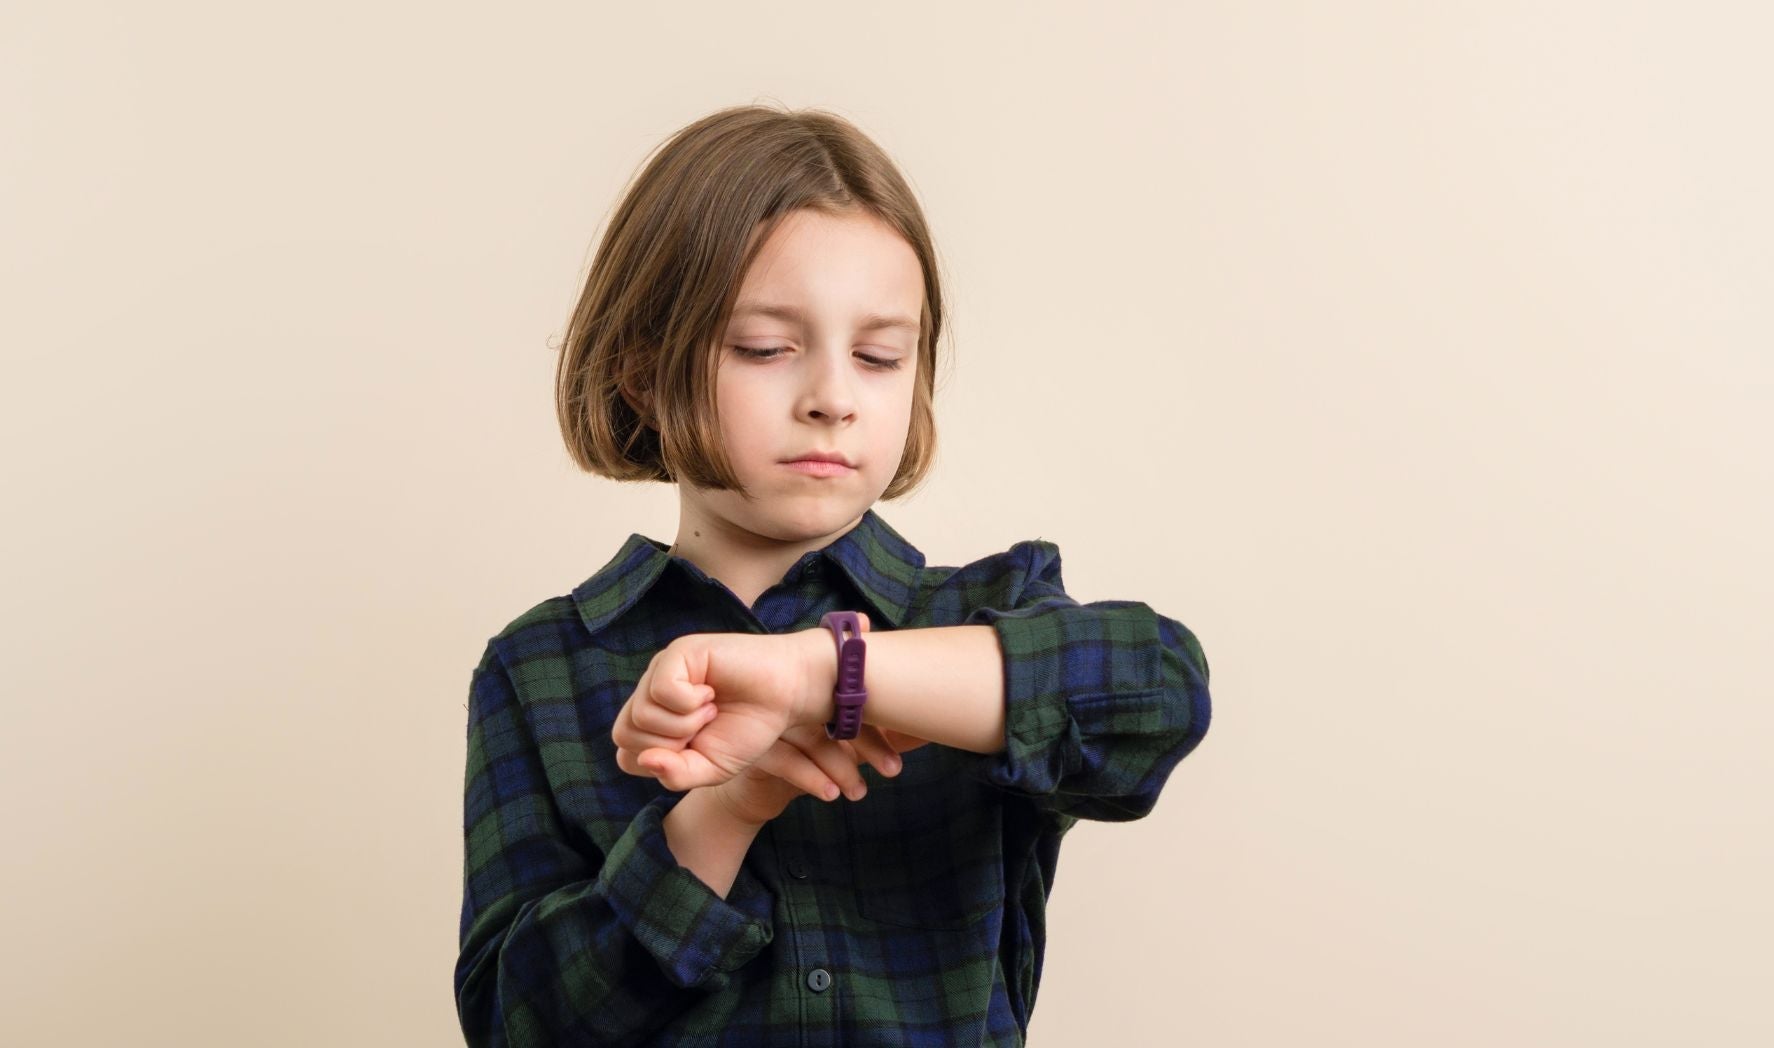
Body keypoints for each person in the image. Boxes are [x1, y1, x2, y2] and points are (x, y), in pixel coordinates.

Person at [454, 103, 1212, 1047]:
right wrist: (725, 812)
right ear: (643, 374)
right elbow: (517, 1024)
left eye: (879, 356)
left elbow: (1158, 694)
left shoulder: (978, 616)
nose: (833, 400)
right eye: (767, 348)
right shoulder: (539, 669)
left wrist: (825, 675)